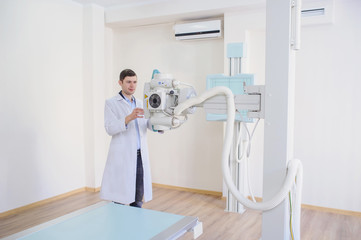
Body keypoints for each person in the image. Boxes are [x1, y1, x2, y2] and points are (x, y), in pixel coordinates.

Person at [100, 69, 153, 208]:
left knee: (138, 195)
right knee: (120, 196)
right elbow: (109, 128)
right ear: (120, 82)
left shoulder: (142, 103)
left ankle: (136, 224)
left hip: (140, 155)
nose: (132, 85)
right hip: (122, 156)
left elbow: (148, 124)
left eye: (135, 82)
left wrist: (160, 123)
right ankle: (119, 224)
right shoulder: (111, 103)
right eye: (128, 82)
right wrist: (129, 117)